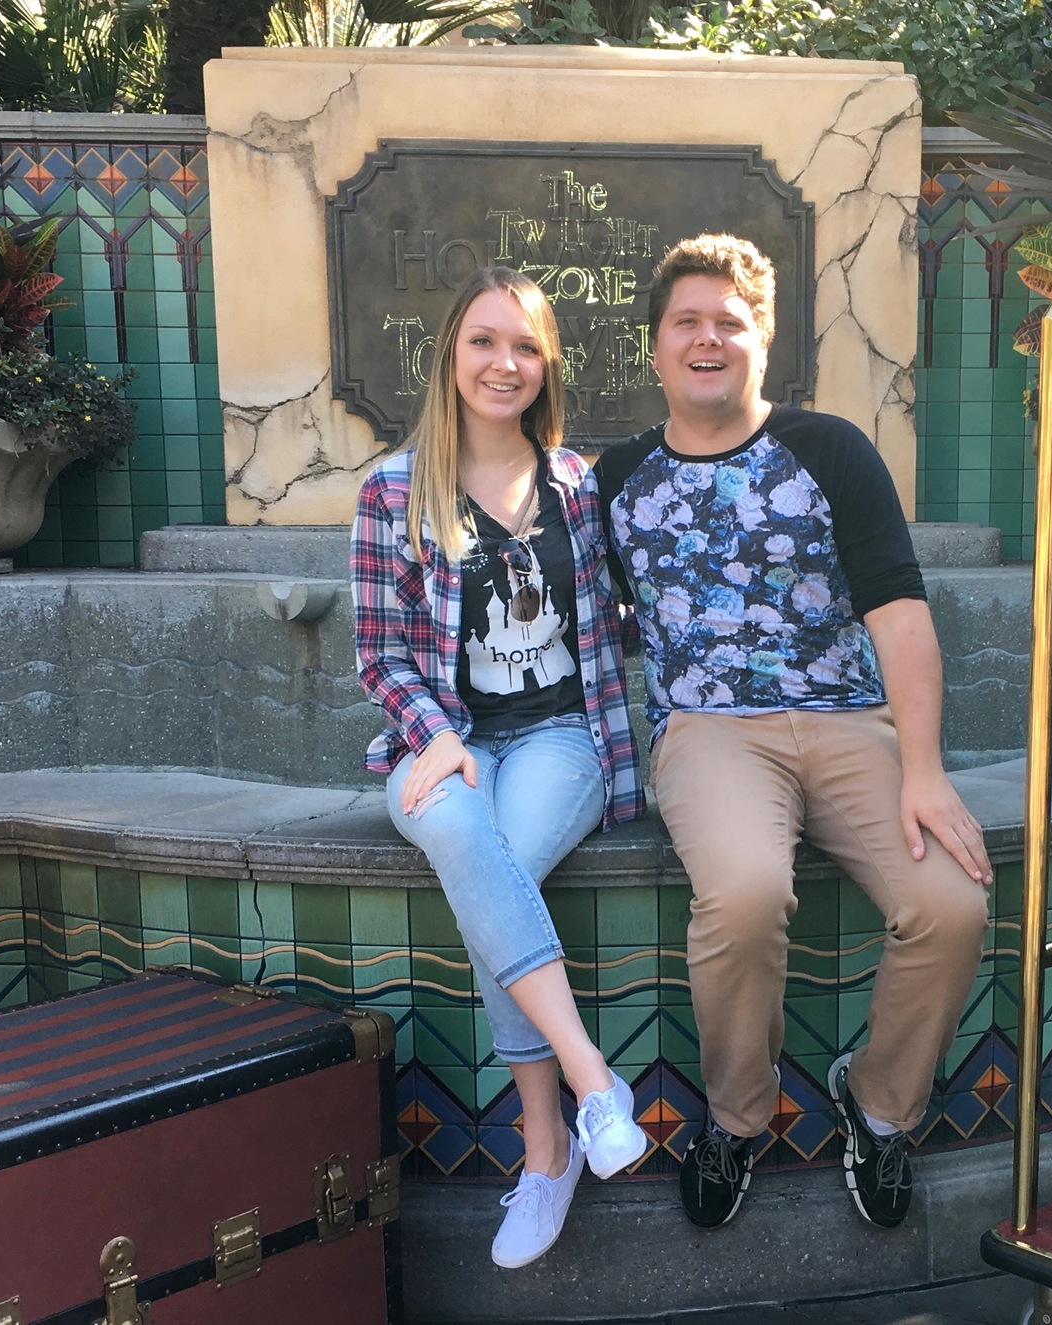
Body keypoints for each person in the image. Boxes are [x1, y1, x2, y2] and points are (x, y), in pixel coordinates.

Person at [595, 234, 994, 1232]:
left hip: (847, 723)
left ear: (760, 341)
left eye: (728, 321)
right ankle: (734, 1116)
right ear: (654, 347)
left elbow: (899, 613)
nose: (706, 338)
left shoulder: (828, 450)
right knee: (743, 890)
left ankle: (877, 1103)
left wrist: (923, 769)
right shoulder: (614, 481)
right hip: (707, 731)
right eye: (685, 321)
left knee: (948, 902)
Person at [351, 266, 648, 1269]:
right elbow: (376, 650)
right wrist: (431, 729)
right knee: (454, 827)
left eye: (524, 345)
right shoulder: (392, 489)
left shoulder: (577, 484)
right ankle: (588, 1083)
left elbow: (626, 614)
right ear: (449, 354)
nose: (502, 362)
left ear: (545, 364)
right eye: (483, 340)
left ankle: (545, 1147)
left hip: (561, 736)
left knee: (497, 864)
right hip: (438, 739)